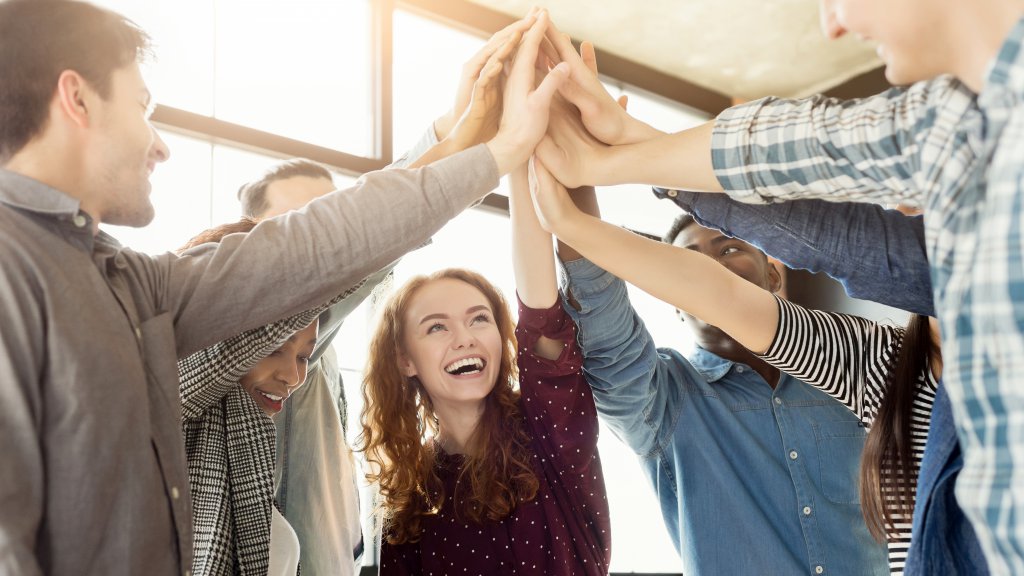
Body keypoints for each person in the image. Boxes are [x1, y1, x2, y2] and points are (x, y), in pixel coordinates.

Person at [0, 0, 570, 572]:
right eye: (141, 107)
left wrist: (464, 140)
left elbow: (317, 249)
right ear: (76, 99)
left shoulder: (128, 284)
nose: (160, 144)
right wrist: (494, 151)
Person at [535, 2, 1024, 568]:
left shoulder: (960, 239)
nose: (832, 25)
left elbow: (813, 179)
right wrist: (598, 182)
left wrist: (617, 159)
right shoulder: (880, 364)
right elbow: (745, 262)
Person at [533, 158, 939, 572]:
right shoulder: (660, 401)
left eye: (730, 248)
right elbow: (606, 333)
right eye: (688, 265)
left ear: (775, 275)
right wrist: (573, 175)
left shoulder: (860, 377)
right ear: (675, 300)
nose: (712, 269)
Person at [233, 25, 529, 573]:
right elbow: (371, 242)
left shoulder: (315, 357)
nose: (327, 250)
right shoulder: (240, 344)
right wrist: (456, 135)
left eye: (333, 223)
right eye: (299, 229)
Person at [660, 190, 990, 574]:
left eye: (916, 207)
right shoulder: (880, 362)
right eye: (895, 204)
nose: (897, 213)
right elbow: (727, 295)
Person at [356, 159, 610, 575]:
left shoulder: (548, 429)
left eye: (479, 318)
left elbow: (541, 310)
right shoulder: (409, 495)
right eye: (436, 327)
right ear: (404, 359)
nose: (465, 337)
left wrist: (513, 158)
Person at [176, 218, 327, 576]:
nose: (293, 377)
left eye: (304, 357)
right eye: (273, 347)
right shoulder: (160, 415)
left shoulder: (243, 453)